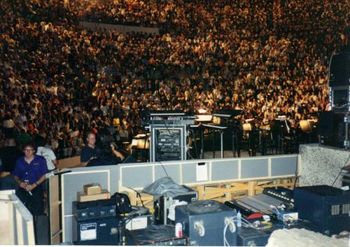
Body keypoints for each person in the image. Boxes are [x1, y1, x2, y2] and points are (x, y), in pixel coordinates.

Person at [12, 142, 48, 216]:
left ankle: (37, 225)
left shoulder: (40, 160)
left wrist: (34, 185)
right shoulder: (19, 161)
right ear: (23, 151)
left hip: (36, 187)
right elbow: (15, 175)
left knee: (37, 210)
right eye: (26, 150)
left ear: (34, 151)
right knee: (22, 210)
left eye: (30, 150)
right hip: (23, 187)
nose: (28, 152)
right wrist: (20, 183)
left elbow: (44, 175)